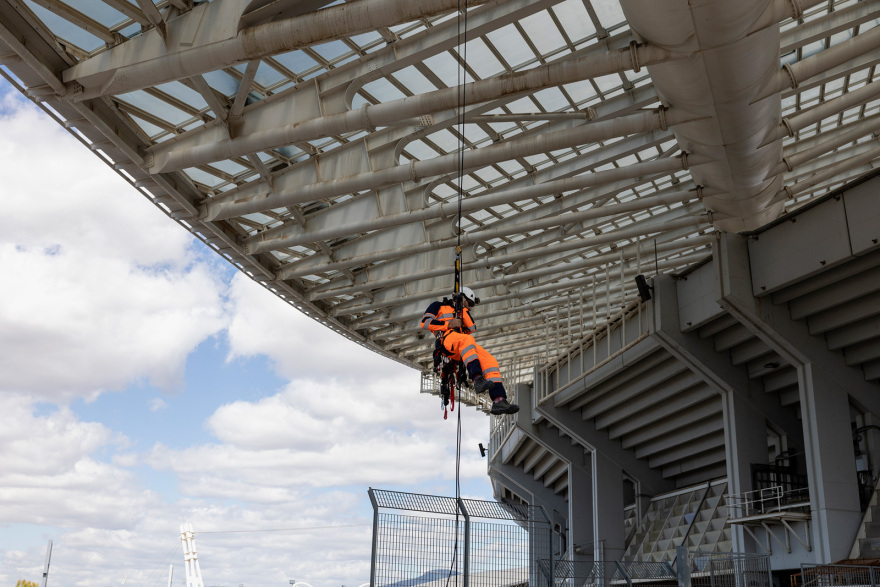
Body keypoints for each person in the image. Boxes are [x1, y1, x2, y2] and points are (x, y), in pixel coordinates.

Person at [421, 287, 519, 415]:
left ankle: (498, 400)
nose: (471, 308)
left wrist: (462, 308)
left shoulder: (462, 311)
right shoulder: (438, 306)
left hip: (462, 344)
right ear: (463, 297)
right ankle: (477, 378)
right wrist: (449, 324)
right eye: (470, 303)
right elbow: (425, 323)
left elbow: (471, 327)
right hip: (447, 339)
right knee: (467, 340)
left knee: (490, 360)